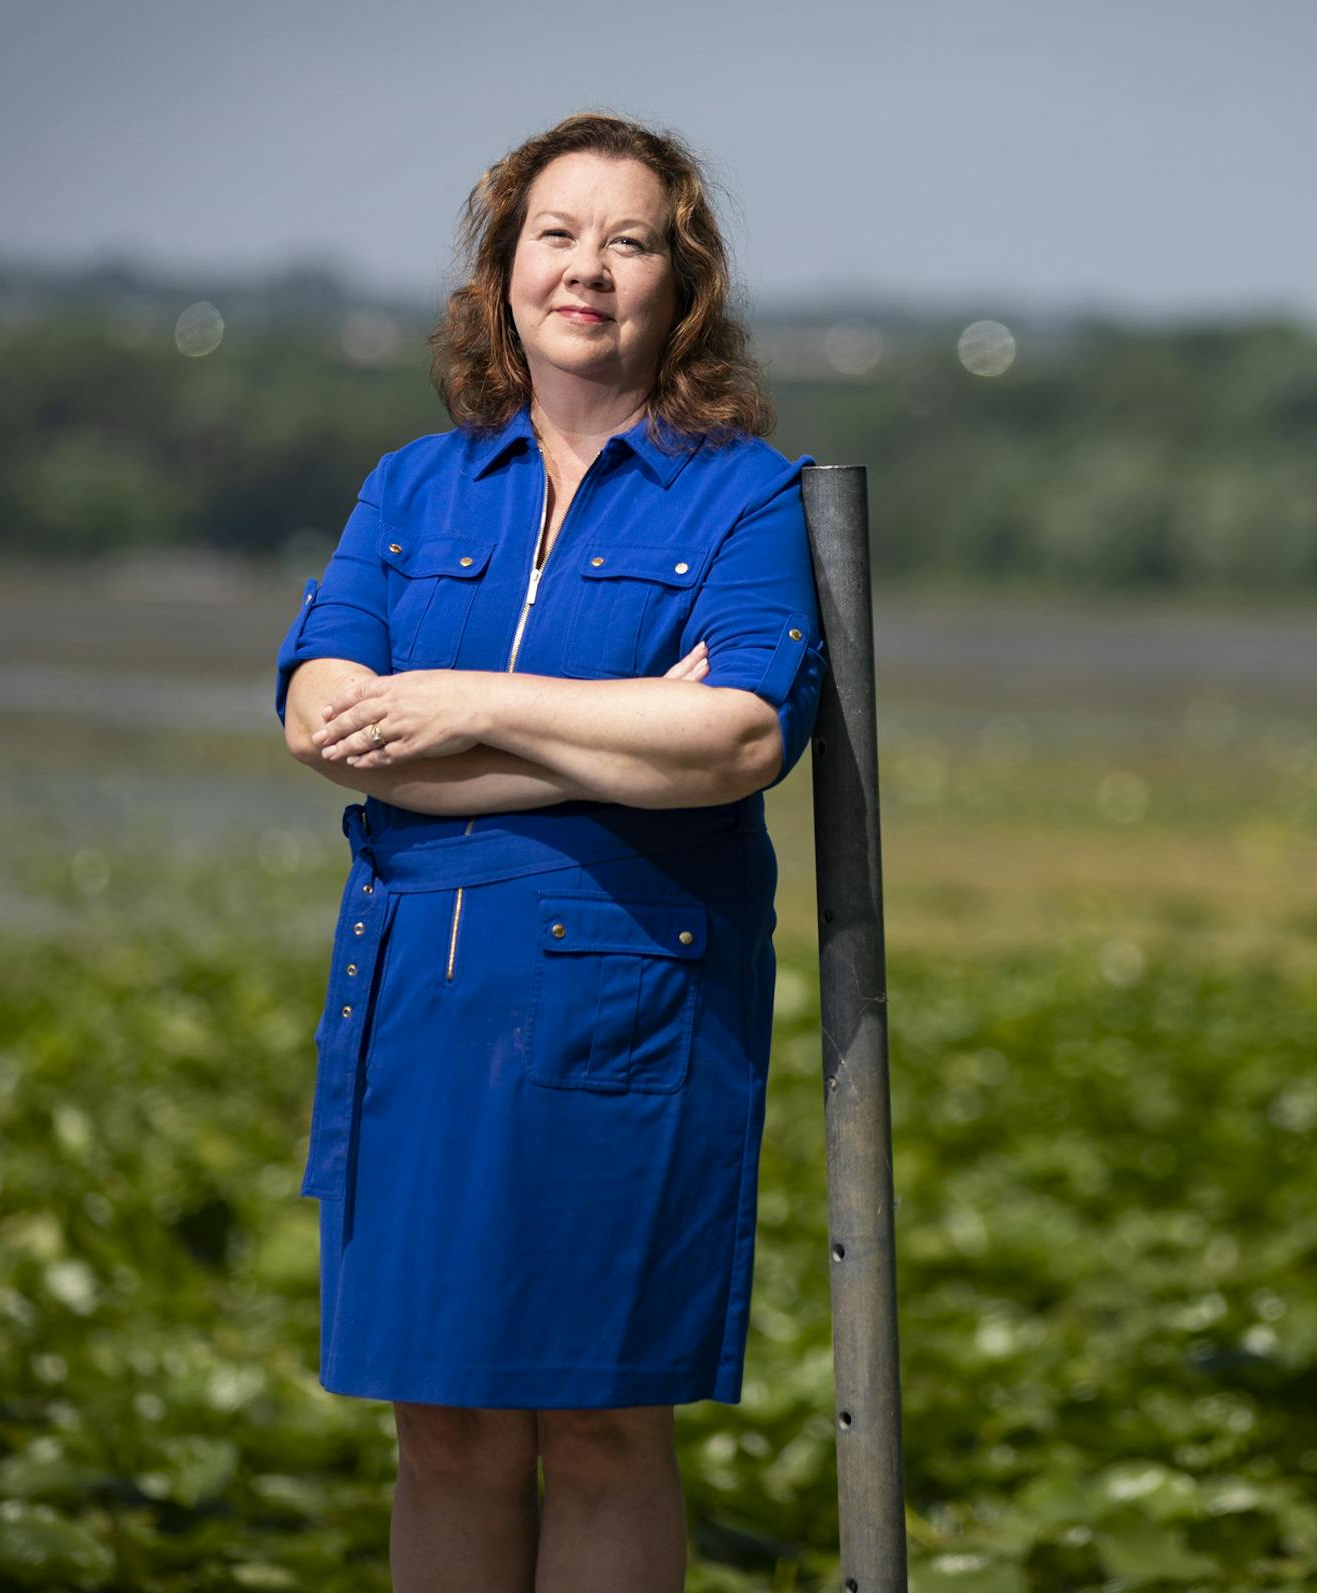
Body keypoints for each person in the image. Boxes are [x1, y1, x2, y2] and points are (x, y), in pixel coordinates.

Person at [270, 111, 825, 1592]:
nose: (589, 269)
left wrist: (467, 712)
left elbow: (738, 743)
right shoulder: (411, 486)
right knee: (441, 1431)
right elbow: (324, 713)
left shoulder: (746, 493)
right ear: (503, 270)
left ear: (680, 282)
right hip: (420, 1019)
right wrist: (611, 735)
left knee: (598, 1431)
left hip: (635, 1020)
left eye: (629, 240)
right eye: (556, 236)